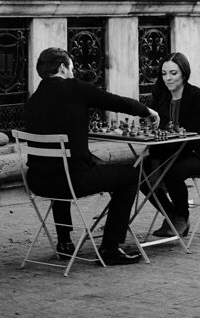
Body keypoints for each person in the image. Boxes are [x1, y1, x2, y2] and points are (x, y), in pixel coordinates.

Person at [23, 46, 165, 266]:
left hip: (38, 181)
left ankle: (64, 242)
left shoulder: (33, 101)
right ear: (62, 67)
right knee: (130, 175)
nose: (73, 73)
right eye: (71, 67)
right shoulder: (74, 88)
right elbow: (114, 101)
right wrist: (146, 110)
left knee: (61, 165)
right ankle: (110, 246)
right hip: (74, 180)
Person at [141, 52, 200, 238]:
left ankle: (182, 216)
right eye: (164, 74)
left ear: (184, 73)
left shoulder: (198, 96)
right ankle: (171, 214)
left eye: (173, 73)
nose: (168, 78)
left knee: (172, 171)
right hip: (170, 153)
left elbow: (193, 132)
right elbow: (156, 129)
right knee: (141, 173)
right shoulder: (160, 96)